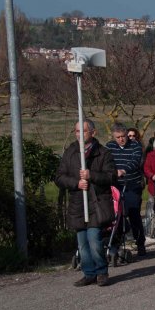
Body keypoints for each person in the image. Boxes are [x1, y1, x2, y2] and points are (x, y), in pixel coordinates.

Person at [55, 119, 116, 287]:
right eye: (76, 131)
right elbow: (59, 177)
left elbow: (111, 176)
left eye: (83, 131)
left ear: (93, 132)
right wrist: (76, 183)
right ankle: (89, 273)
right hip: (78, 204)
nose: (79, 134)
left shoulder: (103, 153)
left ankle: (102, 272)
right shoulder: (70, 152)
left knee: (94, 240)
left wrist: (92, 176)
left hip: (97, 203)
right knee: (82, 243)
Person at [105, 123, 146, 256]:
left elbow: (135, 161)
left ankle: (140, 243)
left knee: (133, 213)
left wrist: (124, 170)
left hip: (132, 184)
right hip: (115, 185)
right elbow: (105, 161)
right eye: (118, 137)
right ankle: (115, 244)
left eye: (123, 136)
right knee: (116, 215)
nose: (121, 139)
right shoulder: (109, 146)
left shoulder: (135, 145)